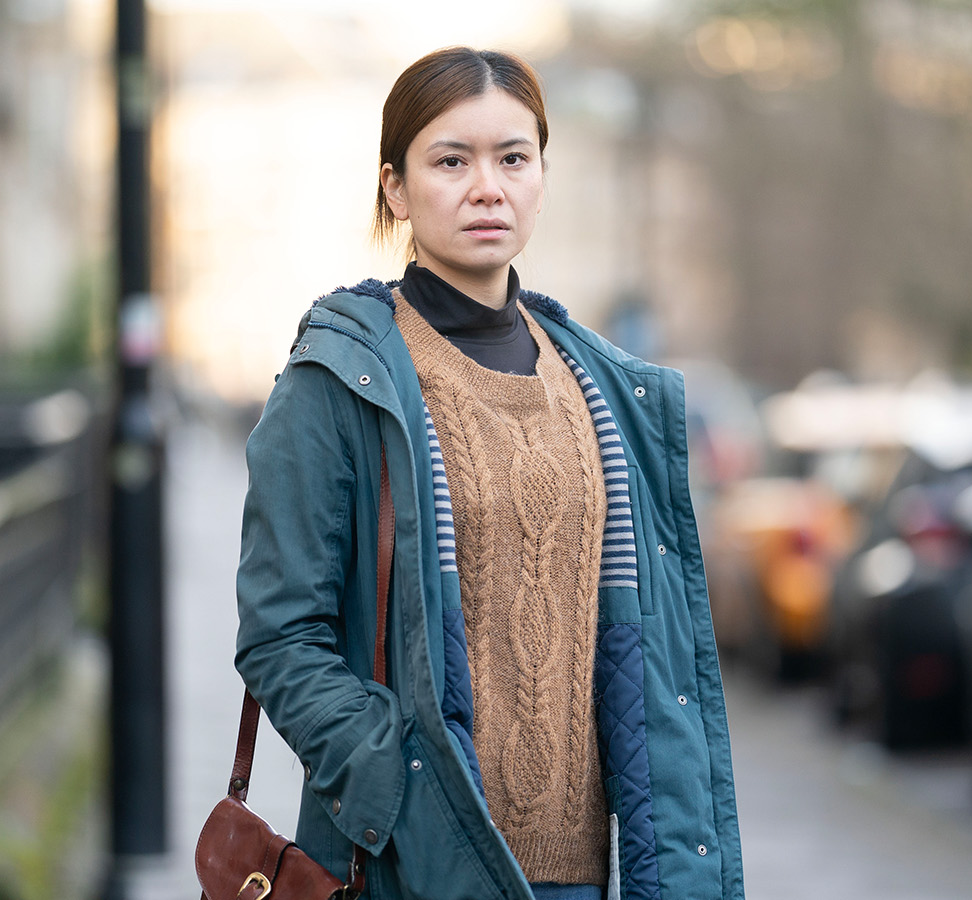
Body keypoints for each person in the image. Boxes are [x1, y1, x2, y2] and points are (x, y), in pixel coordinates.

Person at [235, 46, 744, 900]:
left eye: (513, 157)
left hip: (584, 879)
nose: (487, 187)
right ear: (395, 187)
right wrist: (399, 792)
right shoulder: (339, 382)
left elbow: (650, 657)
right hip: (413, 869)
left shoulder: (605, 387)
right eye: (451, 161)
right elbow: (280, 635)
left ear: (543, 172)